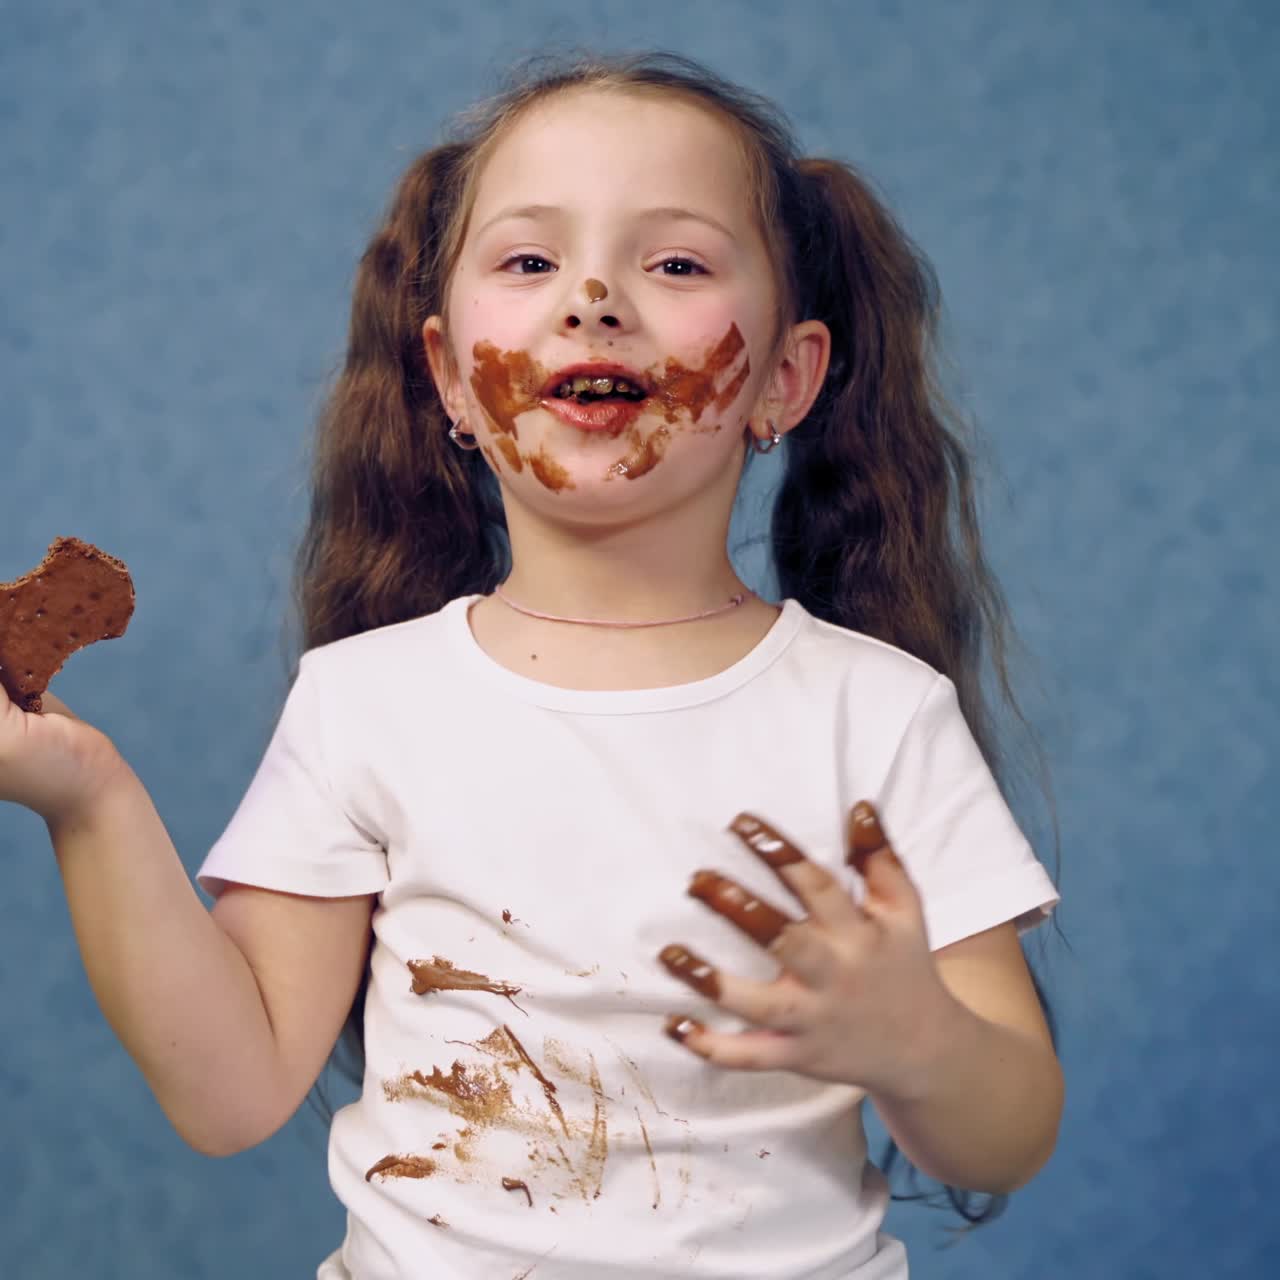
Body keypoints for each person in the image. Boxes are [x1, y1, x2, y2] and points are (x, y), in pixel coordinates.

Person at [0, 50, 1064, 1280]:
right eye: (528, 259)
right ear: (451, 374)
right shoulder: (367, 701)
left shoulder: (874, 714)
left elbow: (1009, 1129)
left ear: (784, 377)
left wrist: (918, 1041)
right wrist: (88, 797)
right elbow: (230, 1091)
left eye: (674, 261)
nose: (594, 294)